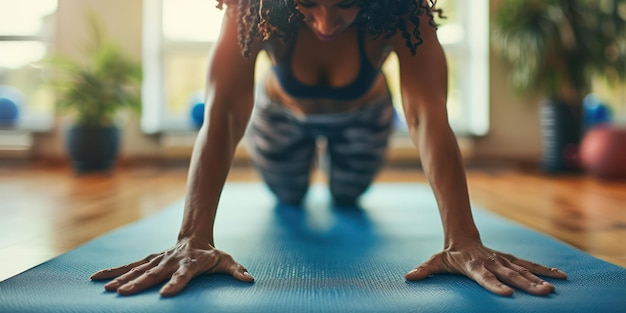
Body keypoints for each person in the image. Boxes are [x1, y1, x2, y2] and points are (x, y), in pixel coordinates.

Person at [90, 0, 568, 297]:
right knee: (289, 197)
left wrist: (462, 238)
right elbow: (224, 113)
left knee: (346, 198)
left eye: (345, 4)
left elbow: (425, 117)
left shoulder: (403, 13)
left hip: (366, 117)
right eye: (308, 3)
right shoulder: (252, 8)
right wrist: (193, 237)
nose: (325, 21)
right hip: (280, 118)